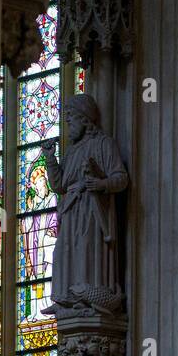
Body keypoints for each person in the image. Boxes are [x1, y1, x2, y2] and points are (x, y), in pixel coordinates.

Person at [40, 94, 128, 313]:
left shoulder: (103, 144)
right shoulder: (71, 152)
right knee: (63, 250)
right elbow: (59, 185)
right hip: (71, 210)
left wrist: (99, 184)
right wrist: (50, 159)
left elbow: (121, 178)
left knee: (86, 250)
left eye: (71, 120)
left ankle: (90, 298)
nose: (68, 125)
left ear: (85, 120)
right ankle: (65, 297)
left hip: (92, 211)